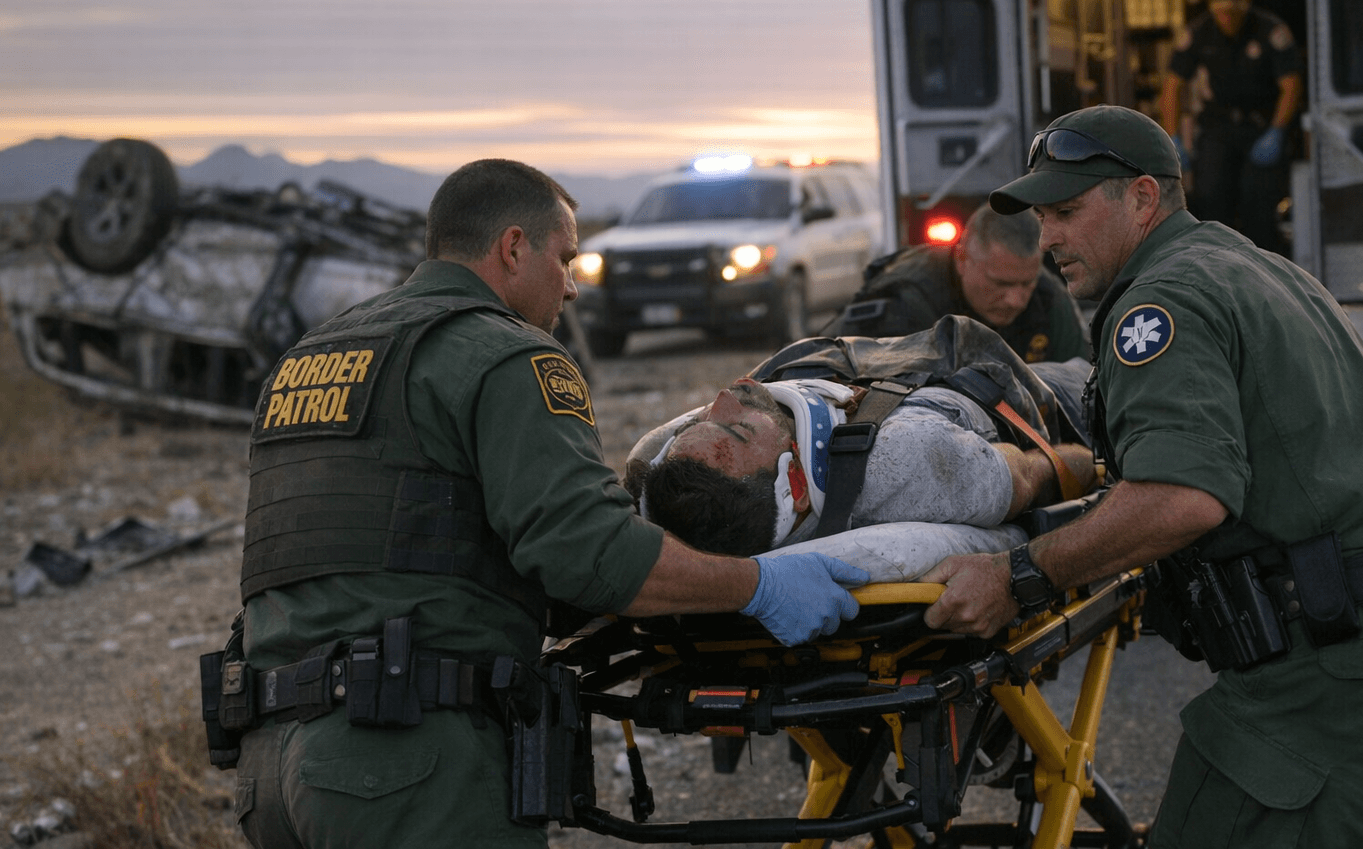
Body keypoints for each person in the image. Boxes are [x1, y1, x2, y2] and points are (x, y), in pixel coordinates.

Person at [921, 106, 1363, 847]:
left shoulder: (1159, 299)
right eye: (1043, 218)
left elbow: (1182, 498)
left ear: (1143, 197)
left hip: (1350, 673)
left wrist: (1015, 576)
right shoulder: (1263, 269)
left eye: (1068, 212)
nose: (1049, 240)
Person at [227, 159, 867, 849]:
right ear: (512, 248)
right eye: (564, 260)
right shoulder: (505, 356)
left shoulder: (309, 359)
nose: (570, 286)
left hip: (269, 770)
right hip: (404, 765)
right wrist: (757, 585)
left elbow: (387, 546)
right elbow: (592, 557)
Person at [626, 315, 1097, 558]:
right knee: (1097, 377)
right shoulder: (913, 463)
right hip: (1025, 389)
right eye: (738, 426)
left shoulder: (658, 463)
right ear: (796, 487)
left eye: (701, 420)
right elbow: (1053, 469)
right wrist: (1100, 467)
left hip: (866, 361)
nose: (731, 394)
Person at [828, 204, 1089, 363]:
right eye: (1001, 284)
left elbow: (1078, 384)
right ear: (963, 259)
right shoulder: (905, 304)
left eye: (1026, 284)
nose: (1016, 300)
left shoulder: (1047, 297)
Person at [1159, 0, 1303, 254]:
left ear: (1245, 5)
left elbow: (1292, 85)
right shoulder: (1200, 32)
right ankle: (1217, 268)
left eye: (1233, 11)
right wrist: (1172, 138)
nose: (1227, 18)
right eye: (1220, 12)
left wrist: (1277, 131)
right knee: (1211, 204)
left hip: (1259, 128)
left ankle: (1262, 273)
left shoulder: (1269, 30)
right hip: (1218, 128)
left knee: (1259, 209)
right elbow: (1172, 86)